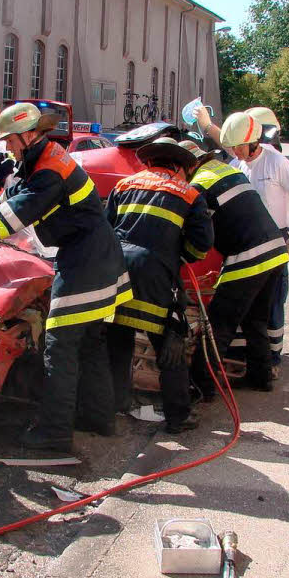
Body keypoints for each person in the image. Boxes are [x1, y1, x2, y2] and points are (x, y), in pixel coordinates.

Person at [0, 102, 132, 452]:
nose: (6, 147)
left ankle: (53, 432)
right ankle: (99, 419)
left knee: (60, 345)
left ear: (27, 135)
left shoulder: (49, 172)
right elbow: (8, 200)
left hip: (85, 260)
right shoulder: (42, 160)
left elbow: (13, 217)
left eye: (10, 140)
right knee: (89, 342)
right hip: (98, 257)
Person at [105, 136, 213, 433]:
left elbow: (106, 229)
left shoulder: (123, 185)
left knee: (117, 343)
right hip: (157, 275)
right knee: (170, 343)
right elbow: (201, 245)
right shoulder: (190, 194)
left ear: (150, 161)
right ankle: (179, 417)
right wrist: (177, 256)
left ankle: (113, 408)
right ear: (180, 166)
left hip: (117, 272)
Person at [196, 104, 289, 378]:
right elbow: (229, 139)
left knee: (272, 302)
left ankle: (274, 357)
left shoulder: (276, 162)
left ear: (254, 141)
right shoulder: (237, 161)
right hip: (246, 239)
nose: (236, 152)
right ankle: (256, 364)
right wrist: (208, 126)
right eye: (233, 148)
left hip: (276, 237)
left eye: (240, 147)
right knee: (253, 309)